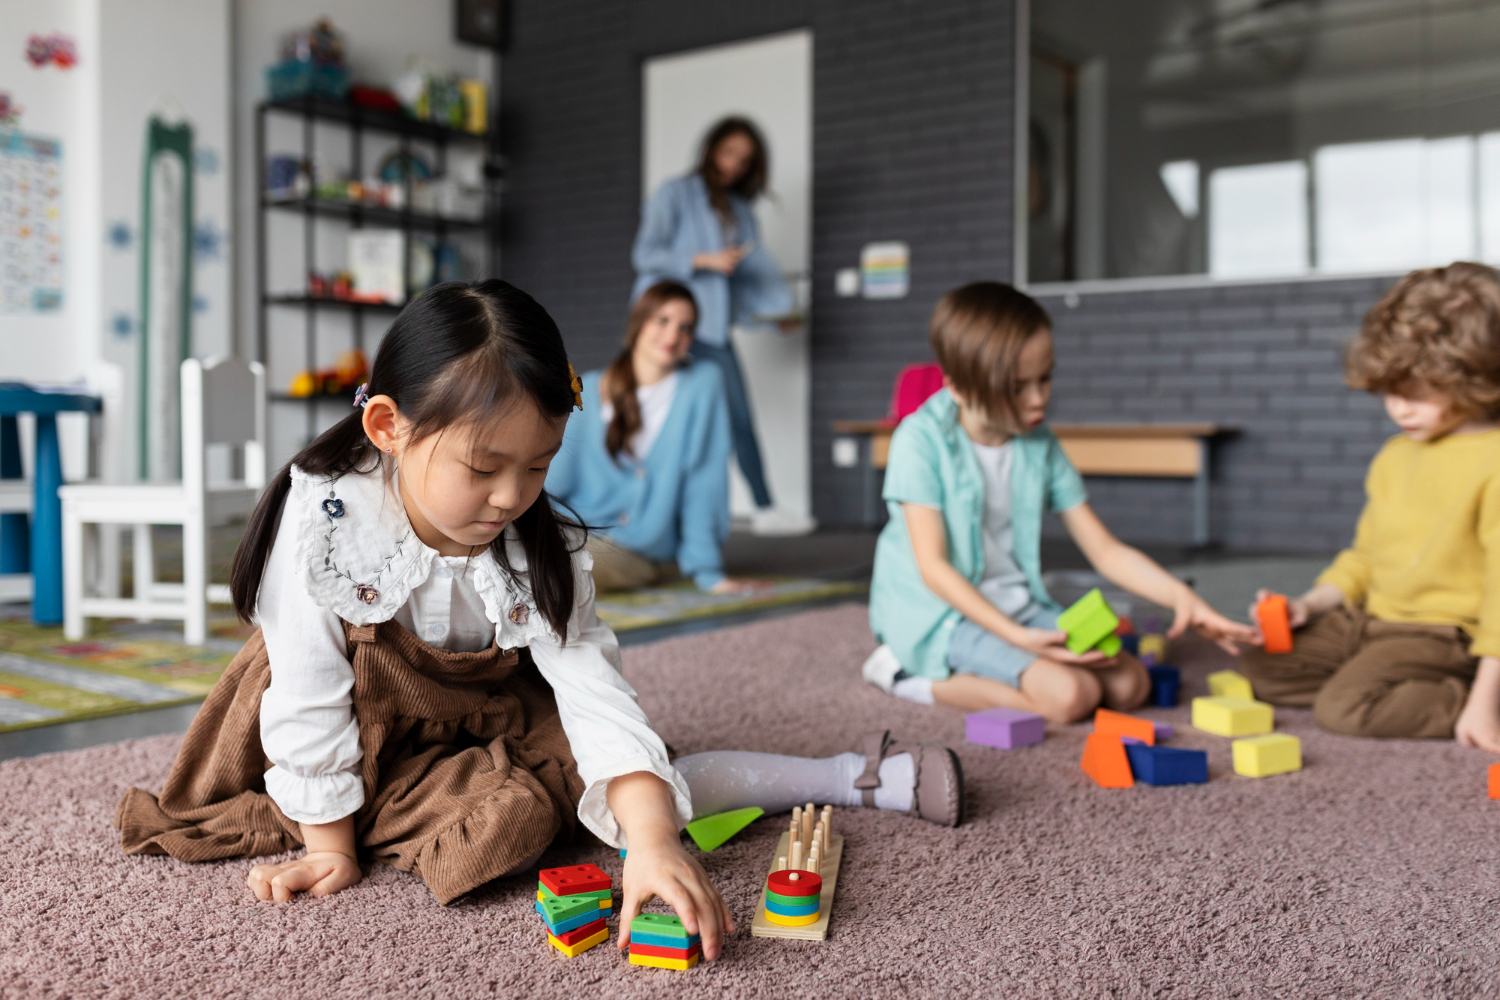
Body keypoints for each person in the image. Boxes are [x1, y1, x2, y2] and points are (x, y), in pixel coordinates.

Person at [114, 280, 962, 962]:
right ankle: (377, 815)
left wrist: (656, 841)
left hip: (487, 709)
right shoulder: (324, 524)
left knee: (635, 789)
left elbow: (590, 684)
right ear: (389, 427)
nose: (513, 497)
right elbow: (306, 691)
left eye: (539, 467)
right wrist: (331, 846)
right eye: (485, 468)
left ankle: (840, 775)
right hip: (361, 720)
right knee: (512, 826)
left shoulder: (533, 538)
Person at [861, 282, 1255, 721]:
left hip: (1017, 604)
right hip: (941, 613)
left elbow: (1104, 550)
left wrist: (1181, 597)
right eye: (1016, 388)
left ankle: (1013, 666)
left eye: (1045, 378)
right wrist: (1016, 637)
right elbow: (934, 569)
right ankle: (905, 674)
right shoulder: (919, 439)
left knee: (1130, 685)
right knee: (1070, 696)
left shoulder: (1039, 444)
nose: (1038, 399)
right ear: (958, 387)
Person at [1238, 263, 1500, 752]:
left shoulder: (1493, 462)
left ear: (1477, 376)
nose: (1398, 410)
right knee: (1263, 669)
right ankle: (1378, 676)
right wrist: (1309, 605)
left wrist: (1485, 701)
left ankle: (1467, 697)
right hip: (1370, 619)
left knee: (1345, 709)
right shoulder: (1396, 455)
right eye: (1390, 392)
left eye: (1418, 395)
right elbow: (1365, 555)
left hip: (1444, 634)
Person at [631, 116, 797, 532]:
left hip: (712, 330)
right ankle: (642, 510)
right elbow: (645, 255)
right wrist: (703, 260)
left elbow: (735, 290)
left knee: (736, 418)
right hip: (664, 328)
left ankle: (763, 508)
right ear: (711, 148)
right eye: (729, 152)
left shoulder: (740, 212)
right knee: (655, 419)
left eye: (745, 159)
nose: (735, 165)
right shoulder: (674, 194)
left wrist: (770, 320)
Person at [547, 280, 762, 594]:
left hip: (637, 547)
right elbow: (551, 481)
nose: (673, 335)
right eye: (663, 320)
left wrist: (708, 572)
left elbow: (704, 483)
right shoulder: (588, 389)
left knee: (555, 571)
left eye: (685, 328)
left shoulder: (702, 386)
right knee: (505, 554)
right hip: (574, 530)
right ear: (638, 322)